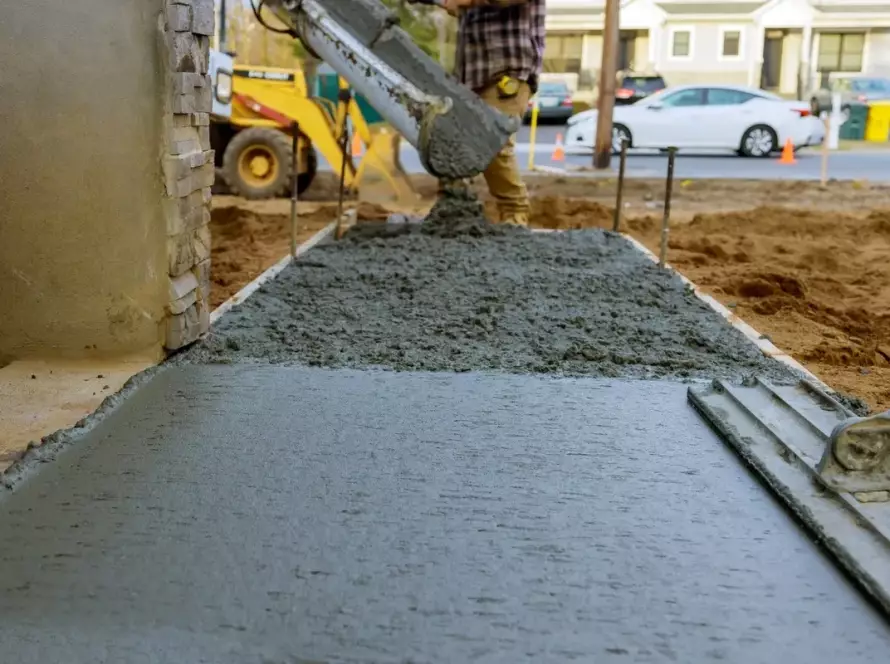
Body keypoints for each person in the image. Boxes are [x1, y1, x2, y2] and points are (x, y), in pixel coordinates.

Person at [440, 0, 546, 227]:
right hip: (471, 73)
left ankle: (515, 215)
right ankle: (454, 214)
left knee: (493, 142)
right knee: (450, 143)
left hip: (507, 69)